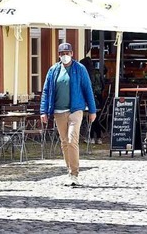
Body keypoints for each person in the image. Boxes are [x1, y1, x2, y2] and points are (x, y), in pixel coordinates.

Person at [40, 43, 96, 186]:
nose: (65, 55)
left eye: (67, 52)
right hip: (59, 111)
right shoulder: (53, 70)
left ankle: (74, 173)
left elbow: (87, 89)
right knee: (64, 142)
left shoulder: (80, 69)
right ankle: (69, 170)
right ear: (59, 55)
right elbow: (46, 91)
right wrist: (43, 111)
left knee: (72, 140)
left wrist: (92, 110)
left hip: (75, 110)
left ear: (72, 53)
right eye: (62, 53)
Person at [79, 57, 104, 145]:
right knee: (95, 117)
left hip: (91, 97)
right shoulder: (97, 72)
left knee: (91, 117)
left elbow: (86, 88)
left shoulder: (85, 73)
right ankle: (98, 137)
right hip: (99, 97)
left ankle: (92, 137)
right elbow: (103, 85)